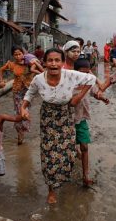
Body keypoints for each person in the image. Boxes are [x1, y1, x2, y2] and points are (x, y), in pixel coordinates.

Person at [20, 48, 97, 204]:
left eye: (57, 60)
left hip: (65, 115)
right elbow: (29, 93)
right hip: (47, 117)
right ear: (45, 62)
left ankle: (62, 177)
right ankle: (51, 189)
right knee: (48, 153)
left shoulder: (71, 75)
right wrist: (23, 107)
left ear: (62, 63)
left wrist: (78, 97)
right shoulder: (39, 79)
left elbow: (91, 79)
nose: (53, 64)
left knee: (67, 150)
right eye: (50, 60)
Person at [73, 58, 109, 186]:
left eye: (87, 72)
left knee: (85, 146)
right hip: (67, 120)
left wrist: (102, 97)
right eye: (81, 73)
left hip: (82, 119)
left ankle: (85, 176)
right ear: (74, 72)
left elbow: (95, 92)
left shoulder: (89, 81)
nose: (84, 76)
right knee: (69, 147)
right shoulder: (69, 83)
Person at [0, 46, 34, 145]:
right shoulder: (12, 65)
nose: (18, 56)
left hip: (28, 91)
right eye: (15, 54)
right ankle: (20, 132)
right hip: (17, 91)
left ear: (24, 54)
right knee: (19, 111)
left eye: (19, 54)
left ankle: (23, 129)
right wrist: (1, 81)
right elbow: (0, 70)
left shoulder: (30, 63)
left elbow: (40, 70)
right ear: (13, 55)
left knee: (25, 110)